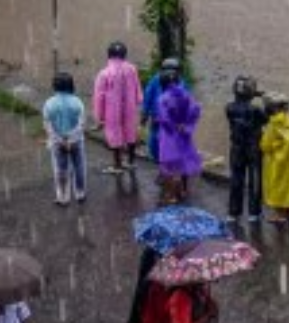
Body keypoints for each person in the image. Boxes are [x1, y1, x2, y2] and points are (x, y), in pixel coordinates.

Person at [93, 41, 142, 175]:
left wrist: (99, 117)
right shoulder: (132, 69)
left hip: (111, 110)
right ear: (124, 55)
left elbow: (99, 97)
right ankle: (131, 162)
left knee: (114, 134)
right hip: (130, 108)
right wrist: (138, 100)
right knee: (130, 132)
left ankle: (117, 165)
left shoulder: (104, 73)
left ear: (108, 55)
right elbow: (137, 87)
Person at [225, 75, 266, 224]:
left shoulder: (229, 108)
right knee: (254, 179)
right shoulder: (255, 109)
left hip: (236, 147)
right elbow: (267, 117)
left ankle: (233, 212)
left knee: (236, 179)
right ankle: (254, 213)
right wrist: (261, 96)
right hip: (253, 147)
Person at [260, 97, 289, 226]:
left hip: (278, 164)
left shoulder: (274, 125)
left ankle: (280, 216)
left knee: (278, 189)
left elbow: (265, 145)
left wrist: (271, 146)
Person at [156, 78, 203, 205]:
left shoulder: (163, 98)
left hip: (169, 135)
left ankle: (172, 196)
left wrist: (169, 126)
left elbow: (163, 118)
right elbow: (195, 110)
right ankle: (183, 191)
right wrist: (186, 126)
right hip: (183, 134)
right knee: (183, 163)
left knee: (168, 167)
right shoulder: (186, 95)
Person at [42, 71, 86, 205]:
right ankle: (80, 192)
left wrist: (60, 140)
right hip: (76, 141)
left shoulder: (49, 103)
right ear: (71, 85)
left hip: (57, 142)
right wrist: (71, 139)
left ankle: (63, 196)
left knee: (60, 169)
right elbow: (81, 123)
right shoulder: (77, 102)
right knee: (79, 166)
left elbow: (47, 124)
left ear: (54, 86)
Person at [126, 245, 171, 323]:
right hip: (155, 292)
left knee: (166, 322)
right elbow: (145, 277)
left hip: (165, 291)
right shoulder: (151, 253)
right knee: (154, 320)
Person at [140, 57, 185, 166]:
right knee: (156, 144)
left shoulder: (182, 85)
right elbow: (148, 97)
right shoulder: (156, 80)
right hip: (158, 119)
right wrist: (145, 114)